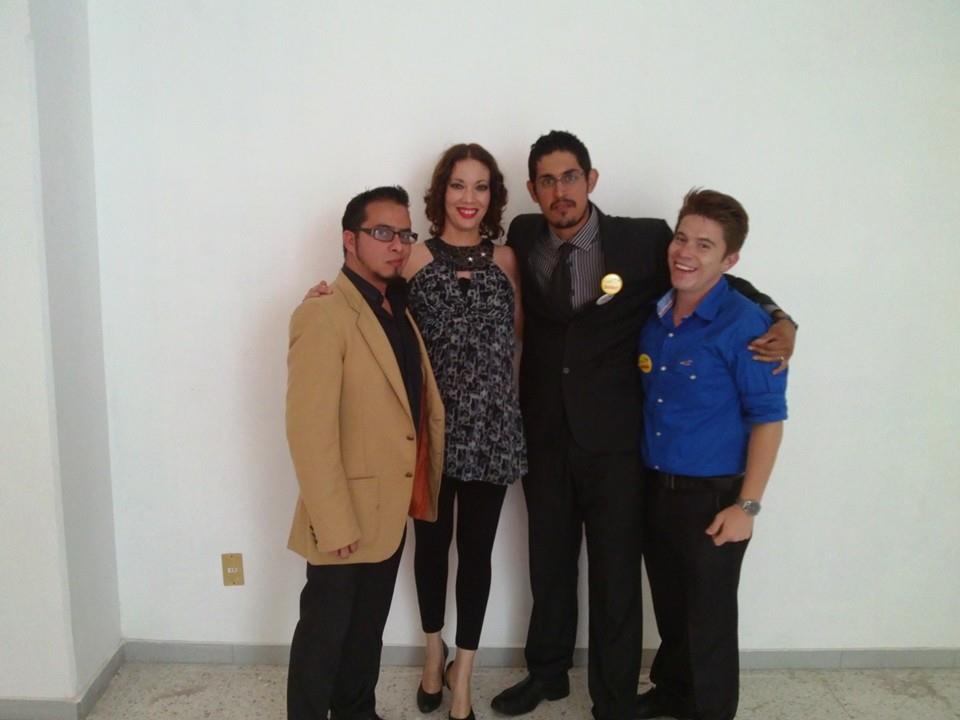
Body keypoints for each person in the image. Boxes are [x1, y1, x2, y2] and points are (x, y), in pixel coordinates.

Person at [489, 131, 796, 720]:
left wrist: (782, 318)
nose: (560, 191)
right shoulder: (524, 234)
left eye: (570, 177)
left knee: (615, 578)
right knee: (548, 565)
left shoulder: (646, 239)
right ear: (532, 188)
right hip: (546, 436)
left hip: (618, 446)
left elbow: (718, 276)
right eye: (547, 181)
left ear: (591, 180)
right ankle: (547, 674)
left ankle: (613, 698)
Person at [306, 144, 525, 720]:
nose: (469, 198)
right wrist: (321, 297)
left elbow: (521, 341)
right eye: (458, 185)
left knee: (477, 554)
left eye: (481, 186)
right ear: (441, 192)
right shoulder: (412, 257)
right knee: (430, 549)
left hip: (493, 431)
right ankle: (433, 654)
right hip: (427, 433)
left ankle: (463, 676)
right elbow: (371, 313)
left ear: (493, 196)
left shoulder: (508, 260)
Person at [285, 186, 445, 720]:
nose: (397, 245)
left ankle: (357, 712)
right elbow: (309, 432)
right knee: (323, 638)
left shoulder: (395, 307)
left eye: (404, 234)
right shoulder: (323, 315)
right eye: (382, 233)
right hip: (344, 515)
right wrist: (333, 522)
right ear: (349, 240)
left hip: (386, 510)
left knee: (366, 633)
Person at [636, 189, 787, 720]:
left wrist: (747, 506)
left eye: (704, 245)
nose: (686, 253)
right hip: (657, 488)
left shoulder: (747, 326)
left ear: (730, 260)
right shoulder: (655, 316)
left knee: (711, 619)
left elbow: (768, 420)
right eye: (682, 238)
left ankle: (711, 710)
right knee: (671, 608)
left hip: (715, 498)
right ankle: (673, 693)